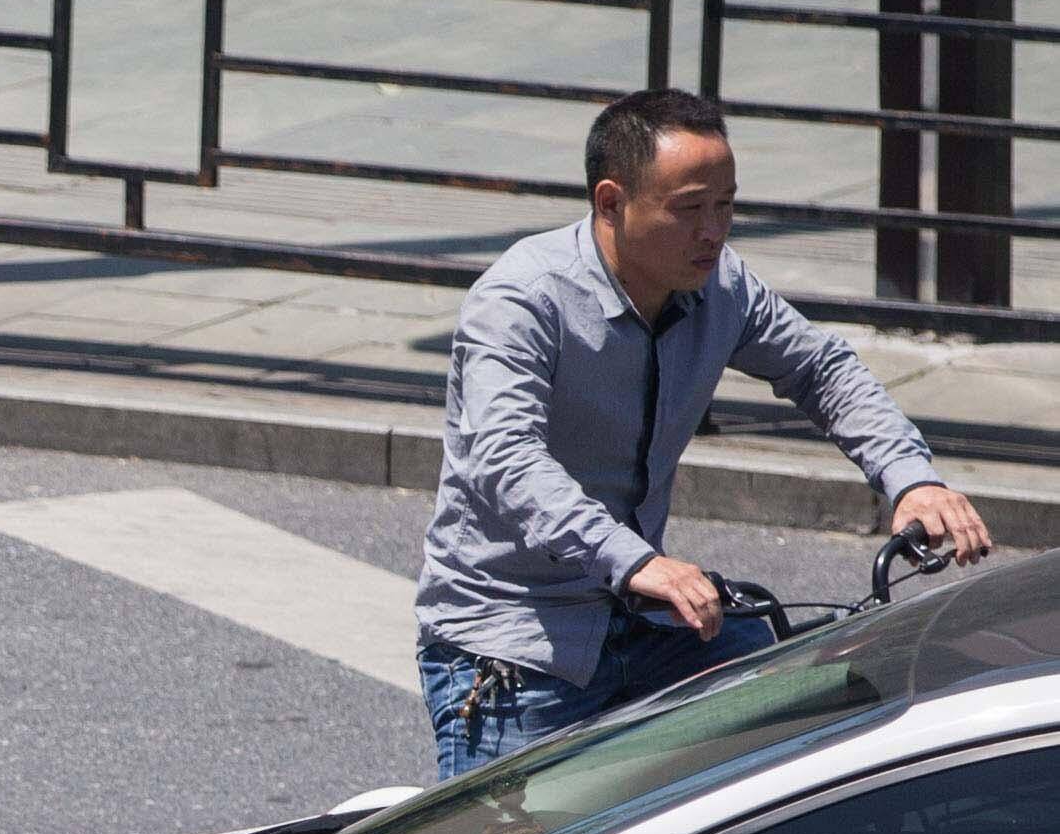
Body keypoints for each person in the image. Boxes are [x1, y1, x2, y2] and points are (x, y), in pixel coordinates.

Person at [415, 86, 995, 778]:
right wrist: (634, 560)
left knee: (804, 733)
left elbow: (820, 367)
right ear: (611, 203)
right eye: (689, 208)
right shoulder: (520, 301)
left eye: (725, 205)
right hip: (517, 642)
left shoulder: (721, 288)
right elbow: (506, 460)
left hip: (645, 618)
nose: (713, 231)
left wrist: (911, 478)